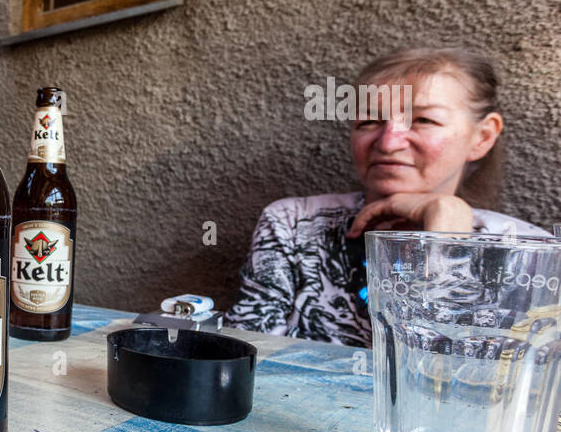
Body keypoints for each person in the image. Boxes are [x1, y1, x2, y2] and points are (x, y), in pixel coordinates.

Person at [225, 47, 545, 348]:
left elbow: (466, 384)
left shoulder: (528, 253)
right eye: (370, 121)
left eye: (423, 120)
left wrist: (446, 235)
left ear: (482, 136)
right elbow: (243, 358)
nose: (388, 143)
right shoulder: (295, 224)